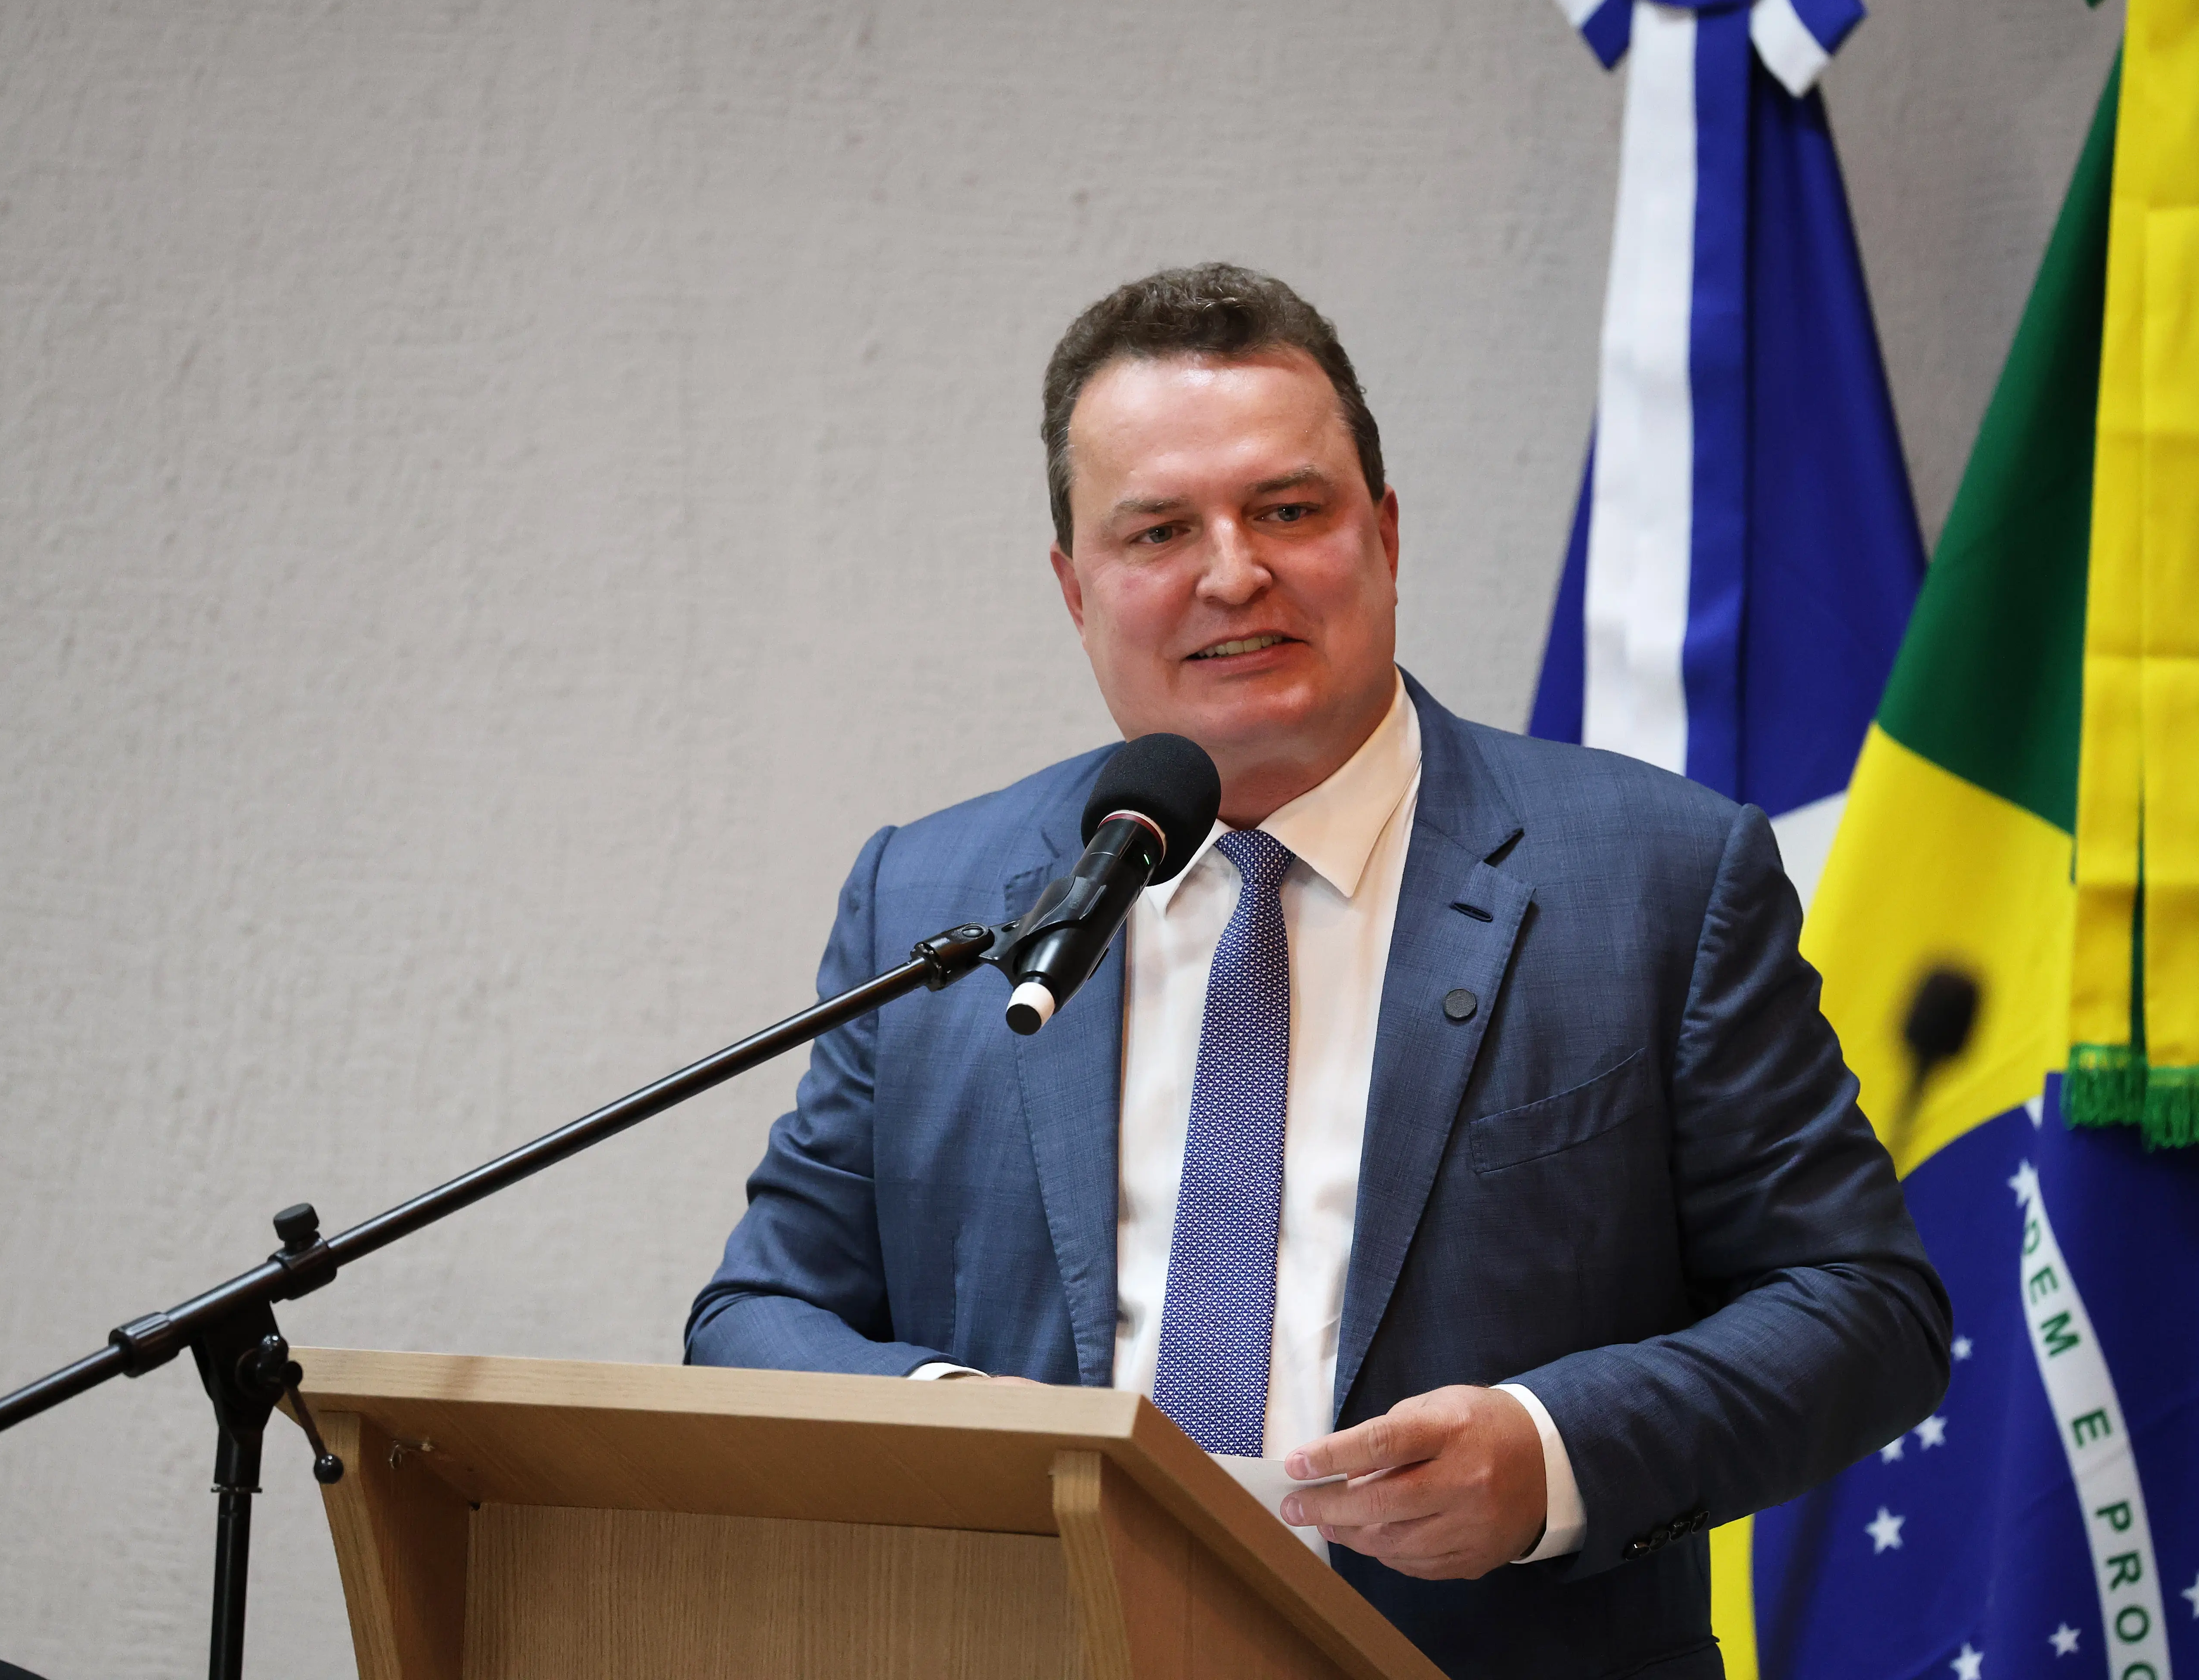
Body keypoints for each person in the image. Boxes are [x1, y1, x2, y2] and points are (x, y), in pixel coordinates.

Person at [687, 263, 1949, 1679]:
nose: (1234, 572)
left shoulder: (1657, 876)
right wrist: (960, 1437)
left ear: (1385, 535)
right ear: (1075, 587)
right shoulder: (931, 897)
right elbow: (758, 1317)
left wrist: (1552, 1455)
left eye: (1288, 510)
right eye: (1160, 529)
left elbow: (1863, 1309)